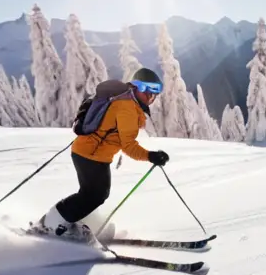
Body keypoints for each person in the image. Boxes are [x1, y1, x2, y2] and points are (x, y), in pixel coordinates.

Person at [36, 67, 170, 241]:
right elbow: (128, 145)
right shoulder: (127, 107)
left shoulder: (127, 102)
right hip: (89, 155)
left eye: (155, 93)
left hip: (92, 154)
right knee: (94, 195)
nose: (151, 97)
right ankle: (51, 224)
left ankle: (79, 221)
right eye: (147, 90)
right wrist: (151, 156)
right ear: (136, 87)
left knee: (93, 194)